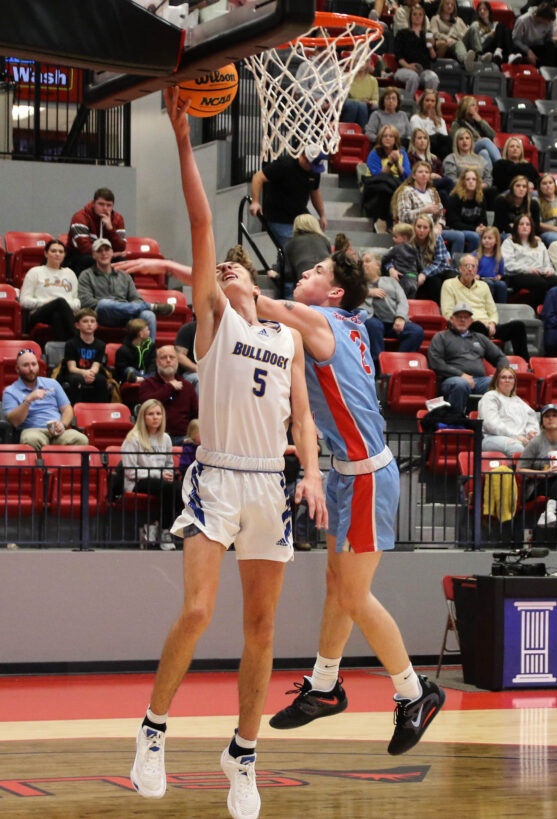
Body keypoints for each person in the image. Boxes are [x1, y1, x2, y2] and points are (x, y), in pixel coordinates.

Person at [130, 89, 325, 819]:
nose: (233, 274)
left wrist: (308, 473)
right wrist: (183, 141)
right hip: (215, 478)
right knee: (199, 610)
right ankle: (153, 730)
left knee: (263, 630)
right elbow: (205, 220)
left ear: (260, 281)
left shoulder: (285, 339)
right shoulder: (211, 327)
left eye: (242, 271)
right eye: (225, 272)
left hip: (270, 485)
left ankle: (242, 756)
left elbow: (302, 417)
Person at [254, 251, 446, 758]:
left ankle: (414, 693)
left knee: (355, 596)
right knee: (337, 585)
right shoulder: (346, 320)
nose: (303, 274)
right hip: (345, 473)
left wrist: (202, 271)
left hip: (366, 475)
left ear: (335, 292)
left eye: (316, 272)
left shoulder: (318, 320)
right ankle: (323, 686)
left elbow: (255, 303)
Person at [77, 238, 172, 338]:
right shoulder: (86, 275)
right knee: (103, 303)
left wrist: (124, 307)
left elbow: (136, 299)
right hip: (101, 315)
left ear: (112, 252)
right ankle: (150, 306)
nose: (103, 253)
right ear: (94, 255)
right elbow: (86, 302)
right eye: (99, 251)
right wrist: (112, 304)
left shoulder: (124, 275)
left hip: (126, 315)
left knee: (149, 315)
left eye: (107, 250)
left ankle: (148, 352)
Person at [441, 254, 529, 358]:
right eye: (467, 266)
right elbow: (447, 313)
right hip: (466, 326)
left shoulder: (483, 286)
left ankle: (525, 364)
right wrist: (472, 321)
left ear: (476, 270)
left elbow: (492, 311)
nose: (470, 269)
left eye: (473, 266)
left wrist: (492, 323)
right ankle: (485, 362)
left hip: (487, 327)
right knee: (478, 326)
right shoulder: (449, 284)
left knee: (518, 326)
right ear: (460, 268)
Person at [428, 302, 509, 412]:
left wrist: (500, 374)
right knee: (461, 384)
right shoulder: (441, 337)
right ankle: (456, 422)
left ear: (471, 321)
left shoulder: (479, 338)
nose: (462, 320)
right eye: (459, 317)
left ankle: (491, 422)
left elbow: (501, 357)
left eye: (466, 317)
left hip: (479, 380)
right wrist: (461, 374)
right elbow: (436, 362)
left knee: (499, 382)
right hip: (451, 379)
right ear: (452, 319)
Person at [2, 349, 88, 451]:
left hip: (57, 431)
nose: (31, 369)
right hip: (33, 430)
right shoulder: (10, 392)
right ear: (17, 369)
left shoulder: (52, 383)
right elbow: (14, 421)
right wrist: (28, 400)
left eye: (34, 364)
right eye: (26, 365)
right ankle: (40, 467)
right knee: (31, 439)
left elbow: (67, 409)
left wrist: (63, 424)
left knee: (81, 439)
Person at [121, 398, 178, 550]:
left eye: (158, 414)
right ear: (143, 417)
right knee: (168, 488)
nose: (155, 417)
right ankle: (164, 532)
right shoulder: (133, 439)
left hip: (161, 481)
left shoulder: (165, 438)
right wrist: (159, 474)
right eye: (150, 414)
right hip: (137, 482)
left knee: (179, 489)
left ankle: (158, 527)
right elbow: (130, 471)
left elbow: (169, 464)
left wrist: (168, 473)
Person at [249, 148, 327, 248]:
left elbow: (315, 192)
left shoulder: (314, 171)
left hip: (299, 215)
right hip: (279, 217)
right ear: (304, 158)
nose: (313, 170)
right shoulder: (285, 164)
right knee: (288, 251)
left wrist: (322, 215)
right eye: (312, 166)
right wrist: (255, 201)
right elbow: (258, 177)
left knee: (314, 243)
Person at [361, 251, 424, 357]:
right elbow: (349, 294)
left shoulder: (391, 281)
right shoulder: (357, 284)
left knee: (416, 331)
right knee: (373, 325)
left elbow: (402, 300)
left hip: (393, 322)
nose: (364, 265)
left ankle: (399, 362)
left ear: (378, 265)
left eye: (367, 261)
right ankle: (379, 366)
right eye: (361, 263)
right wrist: (368, 292)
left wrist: (400, 317)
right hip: (372, 321)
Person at [19, 239, 80, 341]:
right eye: (53, 251)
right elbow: (24, 301)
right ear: (46, 254)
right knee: (59, 301)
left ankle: (61, 350)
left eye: (61, 252)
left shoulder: (70, 273)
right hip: (38, 313)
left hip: (63, 314)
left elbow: (77, 302)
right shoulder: (35, 272)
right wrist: (46, 303)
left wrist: (61, 305)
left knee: (56, 315)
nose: (57, 254)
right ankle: (77, 339)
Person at [139, 344, 199, 441]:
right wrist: (169, 387)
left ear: (177, 361)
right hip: (154, 437)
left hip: (183, 438)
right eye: (163, 357)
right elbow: (146, 405)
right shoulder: (148, 384)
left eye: (172, 357)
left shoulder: (187, 386)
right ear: (157, 362)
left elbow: (196, 415)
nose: (168, 360)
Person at [479, 366, 539, 456]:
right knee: (516, 447)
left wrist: (530, 433)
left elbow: (531, 419)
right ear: (496, 381)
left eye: (510, 378)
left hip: (520, 439)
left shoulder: (518, 401)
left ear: (514, 382)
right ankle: (513, 470)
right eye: (503, 377)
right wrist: (517, 437)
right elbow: (491, 424)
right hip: (493, 438)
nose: (507, 380)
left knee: (543, 446)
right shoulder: (490, 396)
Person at [66, 186, 127, 273]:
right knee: (87, 260)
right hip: (78, 256)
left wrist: (110, 228)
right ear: (94, 203)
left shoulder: (118, 219)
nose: (105, 208)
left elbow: (121, 247)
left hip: (105, 256)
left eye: (109, 205)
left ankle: (125, 287)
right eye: (101, 204)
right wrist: (110, 254)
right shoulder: (80, 217)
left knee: (123, 262)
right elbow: (85, 248)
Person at [501, 213, 556, 308]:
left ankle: (552, 311)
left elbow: (547, 263)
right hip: (517, 275)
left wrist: (549, 270)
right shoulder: (509, 242)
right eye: (521, 224)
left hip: (540, 274)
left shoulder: (539, 244)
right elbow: (507, 264)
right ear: (516, 227)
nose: (525, 227)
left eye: (528, 224)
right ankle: (535, 311)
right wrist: (527, 269)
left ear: (531, 228)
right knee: (540, 283)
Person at [364, 124, 412, 232]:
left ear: (396, 140)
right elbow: (377, 175)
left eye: (391, 136)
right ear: (380, 138)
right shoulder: (374, 153)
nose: (387, 138)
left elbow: (407, 176)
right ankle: (389, 222)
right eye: (385, 136)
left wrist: (398, 163)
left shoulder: (402, 154)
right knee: (384, 184)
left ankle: (381, 220)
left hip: (394, 185)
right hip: (375, 184)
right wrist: (390, 162)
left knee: (387, 188)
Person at [60, 308, 110, 404]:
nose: (89, 324)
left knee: (102, 380)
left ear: (96, 325)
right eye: (85, 321)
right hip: (75, 373)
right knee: (76, 379)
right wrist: (84, 373)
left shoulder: (100, 345)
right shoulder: (71, 343)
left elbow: (96, 366)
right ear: (77, 325)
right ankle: (75, 410)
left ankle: (101, 410)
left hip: (91, 373)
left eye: (92, 321)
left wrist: (90, 374)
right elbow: (72, 368)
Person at [393, 3, 439, 99]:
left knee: (433, 78)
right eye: (414, 14)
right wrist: (408, 66)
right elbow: (398, 56)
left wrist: (430, 47)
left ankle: (428, 103)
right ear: (410, 17)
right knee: (413, 77)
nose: (417, 17)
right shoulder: (402, 33)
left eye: (420, 14)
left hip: (423, 70)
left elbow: (434, 58)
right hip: (404, 69)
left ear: (423, 17)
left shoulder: (427, 34)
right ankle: (408, 103)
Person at [282, 214, 332, 297]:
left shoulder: (290, 243)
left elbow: (287, 274)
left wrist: (276, 276)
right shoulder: (325, 241)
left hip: (305, 283)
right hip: (327, 283)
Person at [411, 213, 455, 302]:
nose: (421, 230)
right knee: (434, 282)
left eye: (425, 227)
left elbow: (440, 263)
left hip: (441, 270)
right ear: (414, 227)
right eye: (419, 227)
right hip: (424, 273)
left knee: (453, 278)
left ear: (430, 229)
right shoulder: (410, 240)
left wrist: (424, 274)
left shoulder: (437, 238)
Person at [444, 169, 490, 255]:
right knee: (475, 236)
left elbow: (483, 220)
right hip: (456, 230)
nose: (471, 182)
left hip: (474, 230)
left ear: (477, 182)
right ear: (462, 182)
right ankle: (466, 263)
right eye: (468, 179)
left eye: (474, 179)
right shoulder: (455, 198)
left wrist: (482, 227)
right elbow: (453, 223)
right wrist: (474, 229)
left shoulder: (481, 199)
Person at [447, 96, 501, 165]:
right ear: (465, 107)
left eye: (476, 105)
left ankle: (489, 175)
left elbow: (492, 135)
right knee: (485, 141)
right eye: (472, 105)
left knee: (484, 153)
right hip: (465, 150)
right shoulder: (457, 124)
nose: (476, 107)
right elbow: (455, 142)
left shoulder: (478, 122)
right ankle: (501, 164)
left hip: (477, 151)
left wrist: (481, 121)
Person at [463, 0, 519, 66]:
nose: (482, 11)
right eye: (480, 10)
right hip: (483, 48)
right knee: (500, 26)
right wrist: (489, 35)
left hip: (496, 46)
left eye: (485, 9)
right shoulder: (476, 24)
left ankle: (509, 55)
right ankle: (507, 53)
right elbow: (476, 42)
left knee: (506, 29)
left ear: (489, 11)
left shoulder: (495, 24)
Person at [407, 127, 451, 202]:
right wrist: (429, 176)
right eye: (419, 138)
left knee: (443, 193)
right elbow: (409, 175)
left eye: (425, 138)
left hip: (435, 187)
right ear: (413, 141)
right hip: (417, 185)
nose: (422, 141)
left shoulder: (435, 159)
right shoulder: (409, 157)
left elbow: (441, 175)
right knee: (448, 181)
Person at [381, 223, 422, 297]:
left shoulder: (397, 248)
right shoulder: (415, 250)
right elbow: (420, 266)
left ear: (404, 238)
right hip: (414, 280)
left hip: (402, 279)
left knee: (401, 300)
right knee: (411, 303)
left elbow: (385, 258)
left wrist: (386, 265)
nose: (393, 239)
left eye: (395, 237)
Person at [409, 90, 451, 159]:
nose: (429, 103)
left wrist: (436, 122)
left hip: (438, 148)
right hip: (422, 145)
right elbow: (418, 136)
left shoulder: (440, 120)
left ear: (436, 103)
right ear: (422, 102)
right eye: (427, 100)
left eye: (432, 101)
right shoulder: (415, 118)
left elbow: (445, 138)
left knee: (446, 141)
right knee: (438, 137)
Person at [115, 318, 156, 383]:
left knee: (155, 371)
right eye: (147, 329)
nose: (149, 331)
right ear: (141, 334)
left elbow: (153, 364)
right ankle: (147, 380)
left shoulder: (151, 346)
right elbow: (121, 370)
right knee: (129, 370)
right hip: (134, 374)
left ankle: (142, 379)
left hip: (147, 373)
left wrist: (145, 376)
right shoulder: (123, 350)